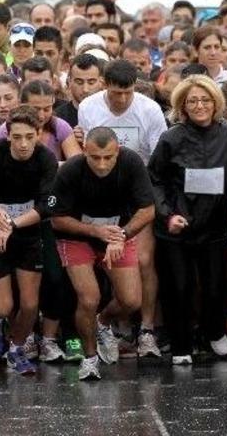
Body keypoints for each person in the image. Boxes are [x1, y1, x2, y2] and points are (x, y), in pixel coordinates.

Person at [148, 75, 227, 365]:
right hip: (177, 227)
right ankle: (181, 342)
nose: (199, 106)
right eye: (192, 101)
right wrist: (168, 214)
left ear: (215, 102)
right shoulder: (171, 138)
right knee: (178, 286)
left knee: (215, 284)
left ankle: (214, 330)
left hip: (214, 224)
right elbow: (154, 180)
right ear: (182, 105)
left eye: (205, 100)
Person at [49, 126, 155, 380]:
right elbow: (56, 219)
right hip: (77, 237)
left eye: (108, 157)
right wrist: (95, 231)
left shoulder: (131, 162)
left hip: (117, 233)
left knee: (131, 300)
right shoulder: (70, 171)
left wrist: (122, 235)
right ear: (85, 151)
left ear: (117, 151)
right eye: (95, 157)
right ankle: (89, 357)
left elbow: (148, 210)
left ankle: (103, 321)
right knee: (88, 298)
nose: (102, 164)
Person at [0, 106, 58, 375]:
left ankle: (16, 348)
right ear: (7, 135)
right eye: (17, 137)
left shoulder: (46, 159)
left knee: (31, 304)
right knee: (4, 305)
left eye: (29, 137)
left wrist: (11, 224)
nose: (23, 144)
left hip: (27, 231)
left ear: (39, 134)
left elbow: (46, 206)